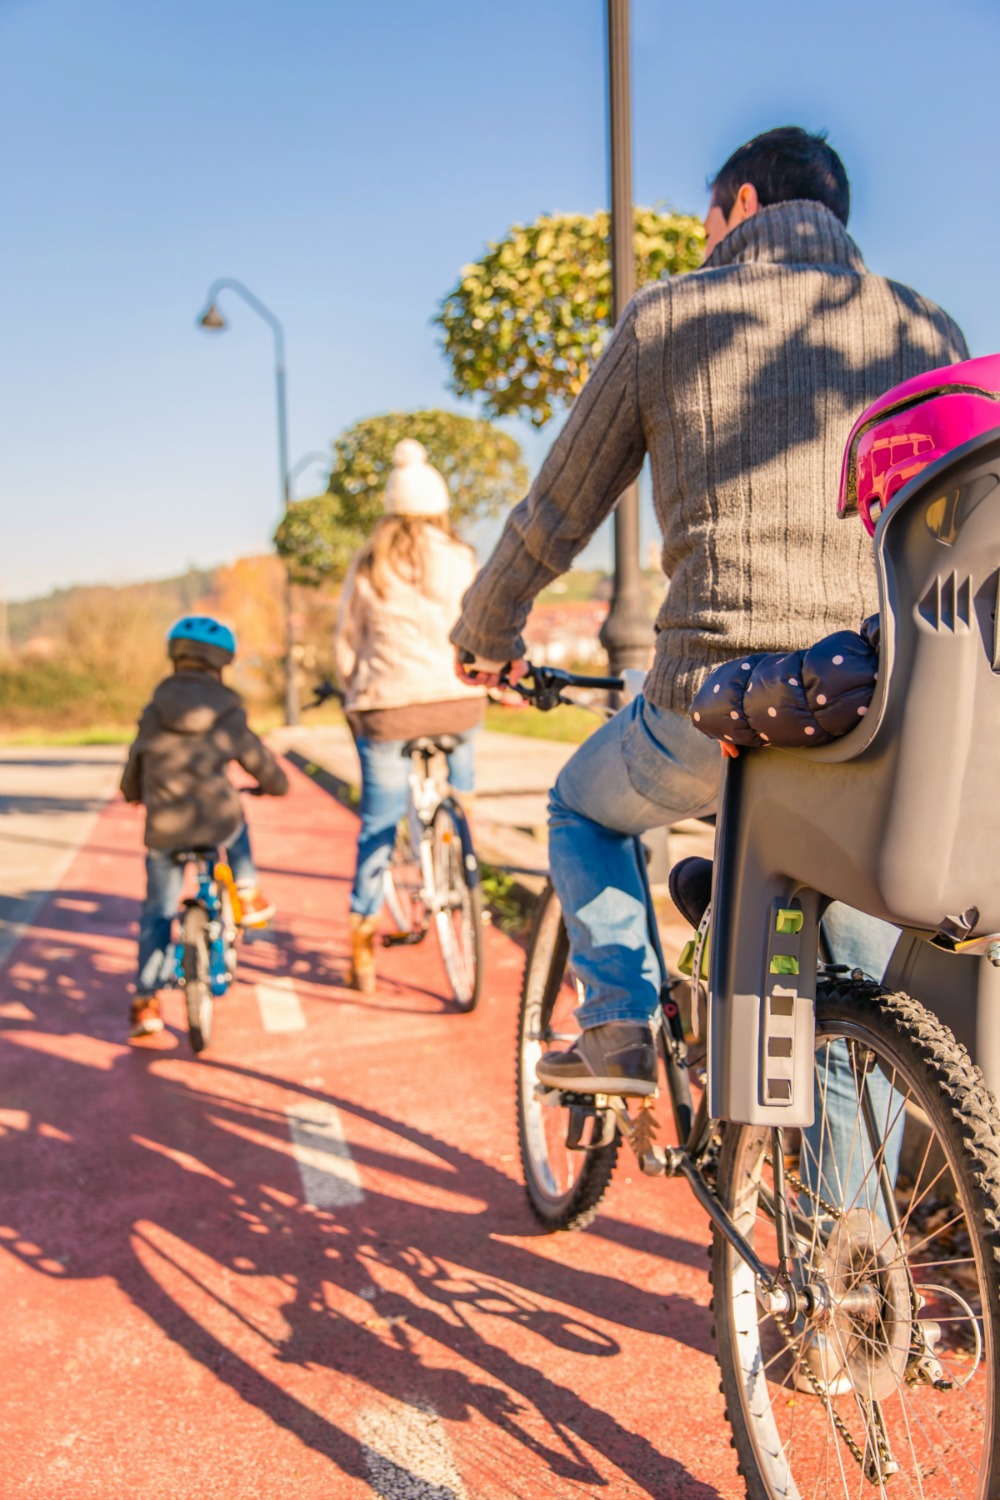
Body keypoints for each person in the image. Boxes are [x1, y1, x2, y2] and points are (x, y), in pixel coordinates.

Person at [451, 125, 969, 1095]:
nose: (698, 238)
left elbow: (554, 514)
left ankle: (617, 1028)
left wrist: (484, 636)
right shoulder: (924, 327)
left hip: (719, 700)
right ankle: (844, 1243)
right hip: (880, 704)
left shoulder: (667, 320)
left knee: (579, 809)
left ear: (741, 207)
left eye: (705, 217)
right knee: (841, 991)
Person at [335, 440, 486, 993]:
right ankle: (464, 845)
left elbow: (347, 645)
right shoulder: (462, 556)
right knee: (463, 784)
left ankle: (362, 946)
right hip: (457, 700)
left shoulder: (370, 563)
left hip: (386, 710)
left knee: (378, 824)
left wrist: (354, 689)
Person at [121, 615, 289, 1038]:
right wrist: (274, 785)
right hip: (216, 822)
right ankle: (247, 890)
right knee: (236, 819)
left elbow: (136, 761)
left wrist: (132, 793)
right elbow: (258, 761)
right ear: (221, 661)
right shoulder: (227, 708)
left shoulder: (155, 708)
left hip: (164, 826)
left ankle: (146, 1001)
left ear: (175, 658)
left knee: (157, 912)